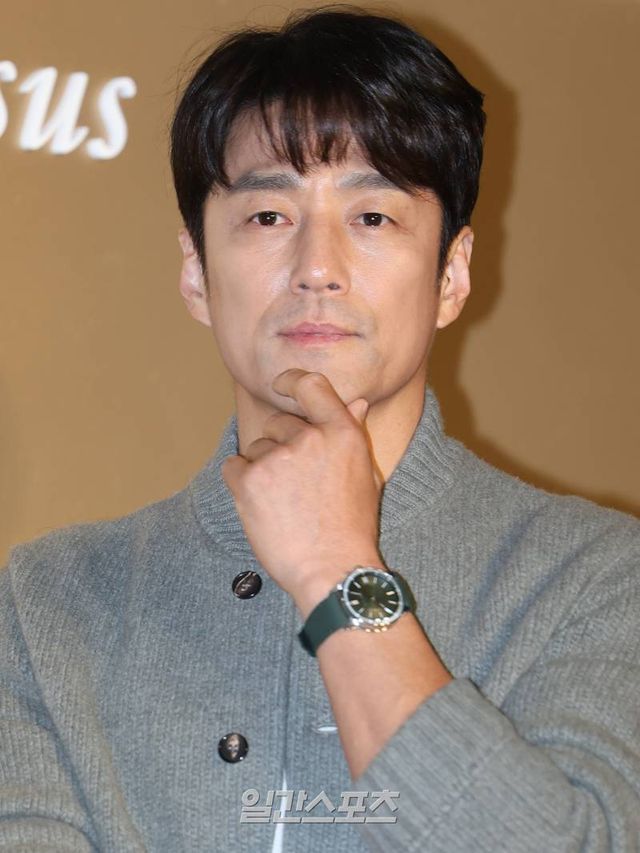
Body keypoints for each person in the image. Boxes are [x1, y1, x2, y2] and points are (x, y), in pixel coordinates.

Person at [1, 5, 639, 852]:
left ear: (452, 275)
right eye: (269, 217)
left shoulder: (597, 577)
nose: (317, 269)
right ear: (195, 272)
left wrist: (339, 570)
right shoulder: (46, 602)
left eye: (373, 217)